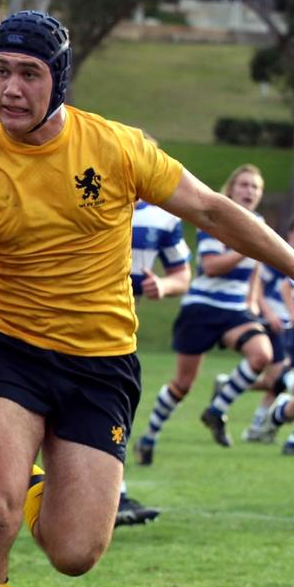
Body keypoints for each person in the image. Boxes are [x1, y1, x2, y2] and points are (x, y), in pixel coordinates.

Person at [0, 10, 294, 587]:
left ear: (59, 80)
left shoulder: (118, 148)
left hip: (102, 364)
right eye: (0, 72)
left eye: (29, 74)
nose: (10, 89)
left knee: (76, 553)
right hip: (10, 349)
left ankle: (27, 484)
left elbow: (211, 208)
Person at [136, 164, 271, 464]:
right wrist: (249, 247)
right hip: (201, 308)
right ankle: (149, 437)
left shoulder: (258, 223)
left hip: (236, 310)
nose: (249, 191)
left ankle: (216, 410)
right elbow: (211, 265)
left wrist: (252, 300)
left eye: (255, 187)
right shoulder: (216, 218)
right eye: (244, 185)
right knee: (183, 384)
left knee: (262, 355)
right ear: (232, 188)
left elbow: (257, 269)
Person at [115, 198, 193, 527]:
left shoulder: (163, 218)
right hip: (54, 317)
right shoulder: (85, 193)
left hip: (115, 328)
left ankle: (115, 494)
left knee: (114, 404)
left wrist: (163, 284)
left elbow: (182, 274)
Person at [240, 214, 294, 442]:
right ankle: (276, 418)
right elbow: (282, 284)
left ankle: (280, 429)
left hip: (290, 327)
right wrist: (286, 313)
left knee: (278, 381)